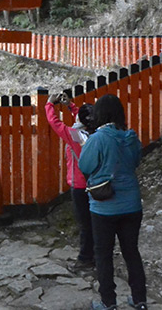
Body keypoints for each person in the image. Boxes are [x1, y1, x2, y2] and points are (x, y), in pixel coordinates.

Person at [78, 94, 147, 310]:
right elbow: (135, 161)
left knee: (104, 254)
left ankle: (108, 302)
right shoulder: (131, 137)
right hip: (132, 204)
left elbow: (85, 166)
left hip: (104, 206)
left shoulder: (97, 139)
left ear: (99, 113)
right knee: (131, 251)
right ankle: (139, 299)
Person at [45, 92, 95, 270]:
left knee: (84, 224)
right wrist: (71, 106)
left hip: (80, 186)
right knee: (94, 221)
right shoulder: (95, 133)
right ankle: (96, 254)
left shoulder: (75, 135)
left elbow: (55, 123)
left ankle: (85, 258)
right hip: (96, 184)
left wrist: (49, 105)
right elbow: (83, 121)